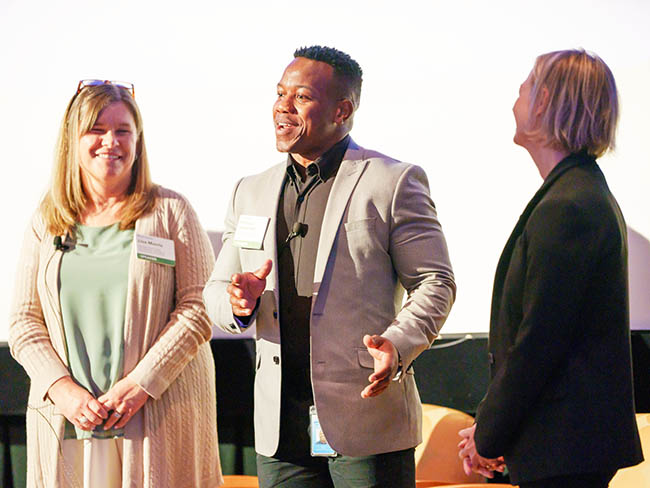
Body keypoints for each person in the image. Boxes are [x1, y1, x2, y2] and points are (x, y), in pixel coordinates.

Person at [203, 45, 456, 488]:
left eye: (300, 97)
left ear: (342, 109)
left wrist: (397, 345)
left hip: (364, 420)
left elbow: (435, 282)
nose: (282, 106)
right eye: (280, 94)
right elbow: (218, 288)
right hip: (281, 426)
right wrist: (237, 302)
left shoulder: (392, 181)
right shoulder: (251, 190)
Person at [8, 80, 223, 487]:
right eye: (97, 129)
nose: (111, 141)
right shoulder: (46, 219)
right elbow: (23, 323)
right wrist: (63, 391)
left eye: (123, 130)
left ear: (138, 142)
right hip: (70, 423)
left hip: (155, 417)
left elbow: (197, 311)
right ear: (73, 139)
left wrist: (139, 386)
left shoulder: (171, 211)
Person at [458, 49, 644, 488]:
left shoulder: (570, 205)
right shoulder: (576, 193)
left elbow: (539, 343)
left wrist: (489, 433)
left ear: (543, 103)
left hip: (565, 451)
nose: (514, 102)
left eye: (524, 89)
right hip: (561, 447)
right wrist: (492, 428)